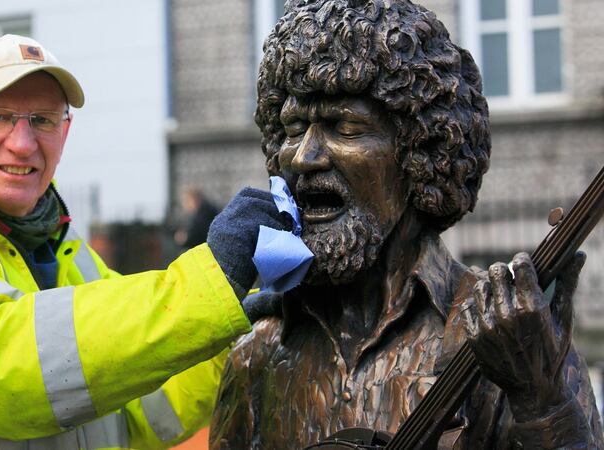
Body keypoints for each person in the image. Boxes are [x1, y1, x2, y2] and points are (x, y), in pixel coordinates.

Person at [0, 34, 290, 449]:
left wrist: (235, 329)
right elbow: (7, 371)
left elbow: (140, 409)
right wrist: (207, 286)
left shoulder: (61, 249)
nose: (23, 143)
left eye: (43, 120)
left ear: (65, 133)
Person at [210, 1, 604, 449]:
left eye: (344, 127)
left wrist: (542, 402)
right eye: (295, 127)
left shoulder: (508, 338)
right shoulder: (259, 353)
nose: (304, 156)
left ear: (418, 152)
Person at [174, 186, 220, 251]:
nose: (185, 205)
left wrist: (185, 238)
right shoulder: (205, 211)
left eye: (186, 201)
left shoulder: (204, 213)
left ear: (194, 199)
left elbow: (198, 234)